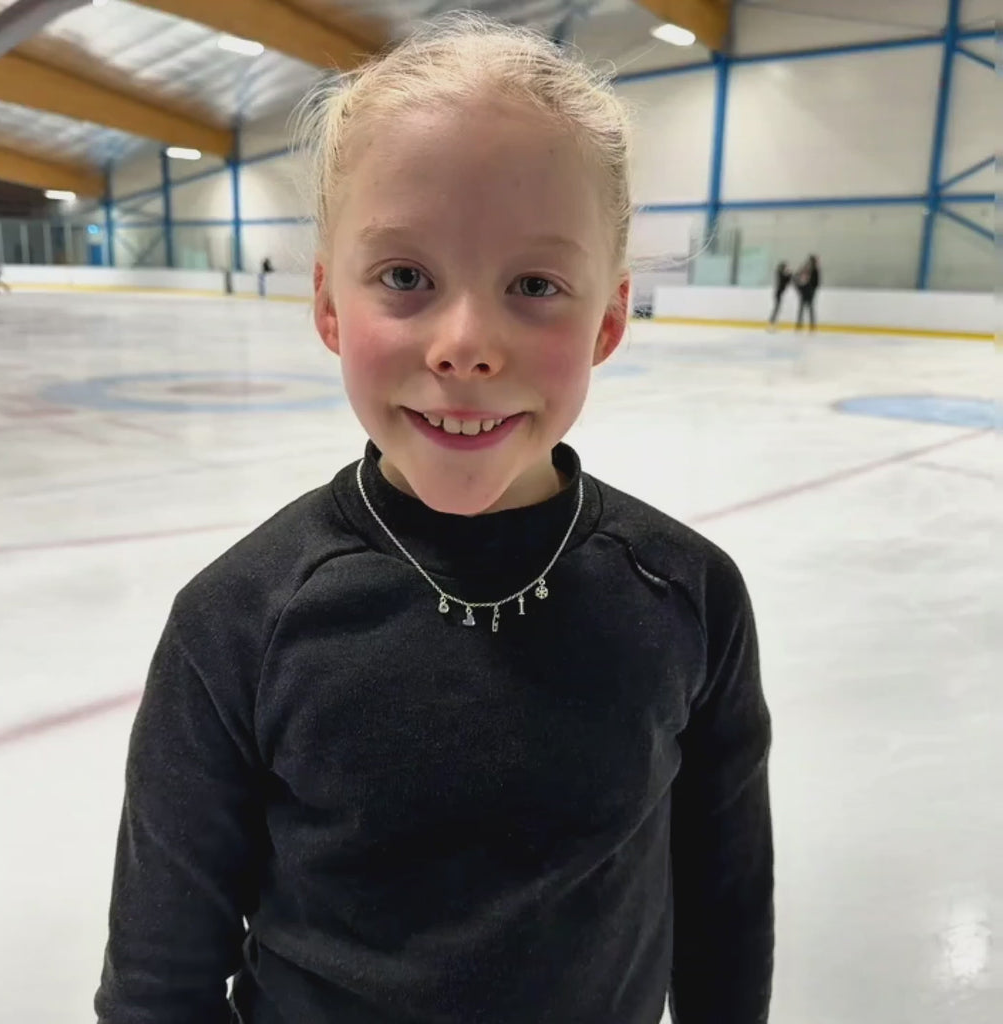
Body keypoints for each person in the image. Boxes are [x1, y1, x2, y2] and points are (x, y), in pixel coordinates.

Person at [95, 14, 774, 1024]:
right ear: (329, 303)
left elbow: (723, 911)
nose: (465, 344)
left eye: (534, 285)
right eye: (405, 277)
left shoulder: (686, 596)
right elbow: (160, 984)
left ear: (608, 318)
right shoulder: (238, 622)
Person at [794, 253, 820, 331]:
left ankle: (806, 325)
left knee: (807, 308)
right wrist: (800, 287)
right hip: (806, 291)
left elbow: (816, 282)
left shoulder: (812, 269)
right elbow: (796, 277)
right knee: (805, 308)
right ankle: (803, 324)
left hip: (808, 291)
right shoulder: (808, 268)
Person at [767, 259, 792, 330]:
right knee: (776, 309)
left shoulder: (781, 273)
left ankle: (773, 323)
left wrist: (789, 274)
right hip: (778, 293)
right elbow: (785, 279)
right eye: (785, 267)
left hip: (779, 293)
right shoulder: (780, 274)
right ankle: (771, 324)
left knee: (777, 309)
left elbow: (787, 280)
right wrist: (789, 274)